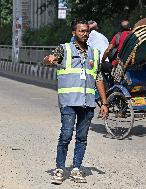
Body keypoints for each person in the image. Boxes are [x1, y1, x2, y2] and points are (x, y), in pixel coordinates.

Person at [43, 19, 109, 184]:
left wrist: (104, 103)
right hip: (69, 101)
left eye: (87, 31)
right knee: (66, 135)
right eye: (81, 31)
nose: (85, 34)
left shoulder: (94, 53)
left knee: (82, 137)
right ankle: (59, 169)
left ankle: (76, 169)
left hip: (87, 103)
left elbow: (98, 78)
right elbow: (50, 59)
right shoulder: (64, 49)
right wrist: (48, 59)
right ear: (74, 32)